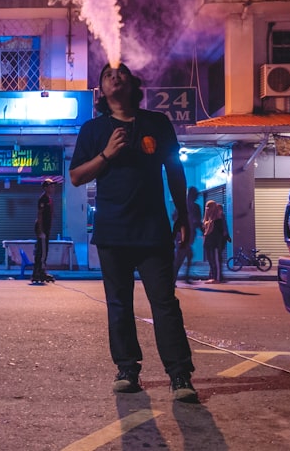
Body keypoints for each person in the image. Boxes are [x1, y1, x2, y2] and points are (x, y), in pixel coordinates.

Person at [68, 62, 199, 403]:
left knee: (165, 303)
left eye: (121, 72)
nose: (115, 76)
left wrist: (182, 215)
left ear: (133, 83)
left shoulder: (156, 123)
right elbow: (77, 176)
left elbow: (175, 169)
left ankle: (180, 374)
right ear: (101, 90)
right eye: (108, 74)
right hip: (111, 233)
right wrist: (107, 154)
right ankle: (127, 369)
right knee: (119, 304)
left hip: (153, 231)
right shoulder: (93, 130)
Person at [173, 186, 202, 283]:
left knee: (187, 256)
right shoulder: (190, 206)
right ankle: (173, 280)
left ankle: (183, 277)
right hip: (183, 236)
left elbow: (174, 217)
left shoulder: (185, 205)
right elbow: (198, 222)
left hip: (186, 236)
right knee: (180, 259)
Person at [31, 178, 56, 283]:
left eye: (53, 186)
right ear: (45, 187)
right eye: (50, 186)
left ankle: (41, 271)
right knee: (41, 252)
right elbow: (40, 215)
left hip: (46, 228)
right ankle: (38, 273)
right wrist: (40, 231)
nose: (53, 188)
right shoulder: (43, 198)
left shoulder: (48, 198)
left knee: (44, 251)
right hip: (42, 229)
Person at [202, 201, 227, 283]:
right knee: (211, 260)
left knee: (215, 260)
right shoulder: (209, 219)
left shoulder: (218, 219)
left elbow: (221, 232)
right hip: (208, 243)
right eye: (206, 207)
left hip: (214, 244)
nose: (207, 209)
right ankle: (213, 276)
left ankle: (217, 278)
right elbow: (204, 228)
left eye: (209, 207)